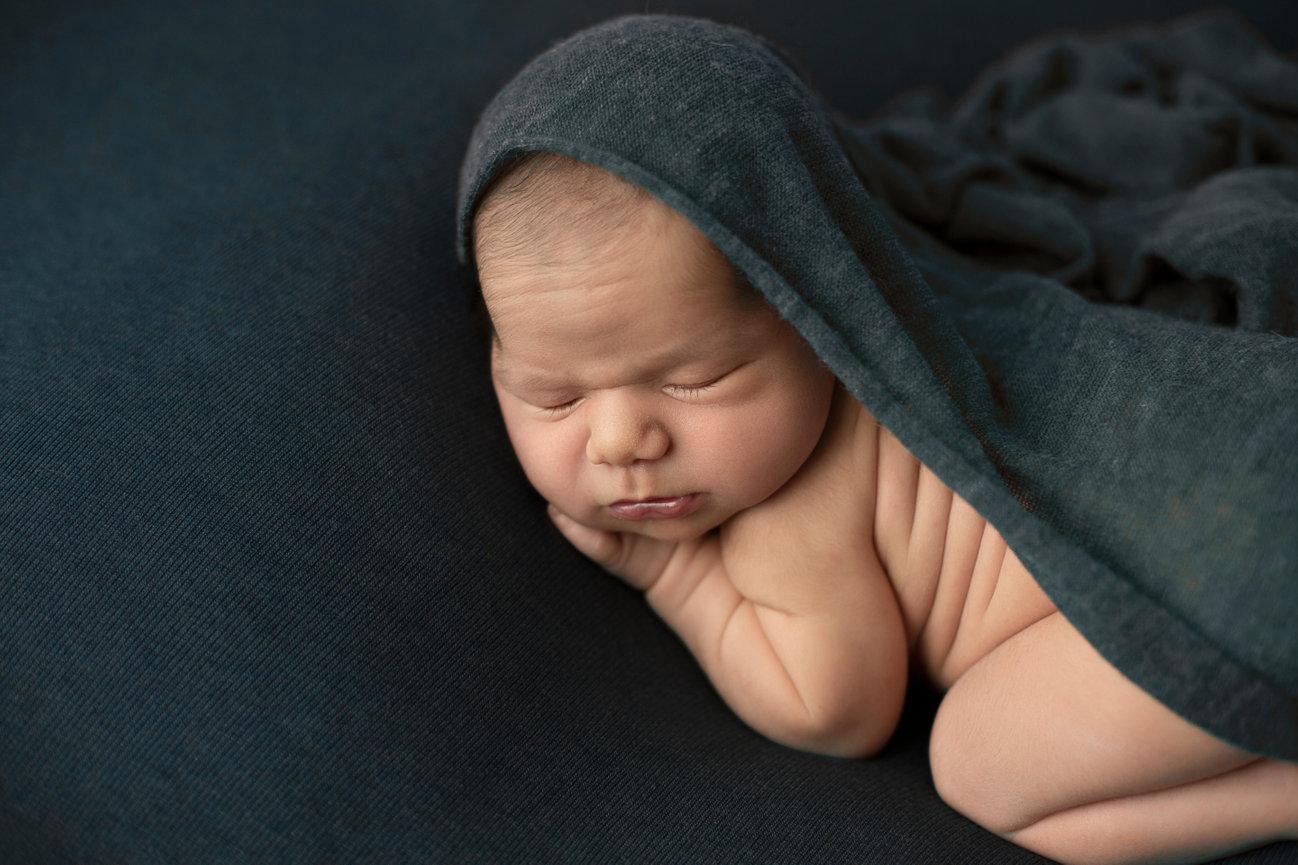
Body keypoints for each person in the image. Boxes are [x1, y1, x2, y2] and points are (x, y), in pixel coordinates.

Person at [457, 15, 1298, 865]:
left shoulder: (783, 525)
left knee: (980, 766)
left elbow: (833, 711)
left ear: (812, 301)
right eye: (553, 397)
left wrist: (679, 578)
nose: (622, 440)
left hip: (1193, 589)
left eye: (692, 380)